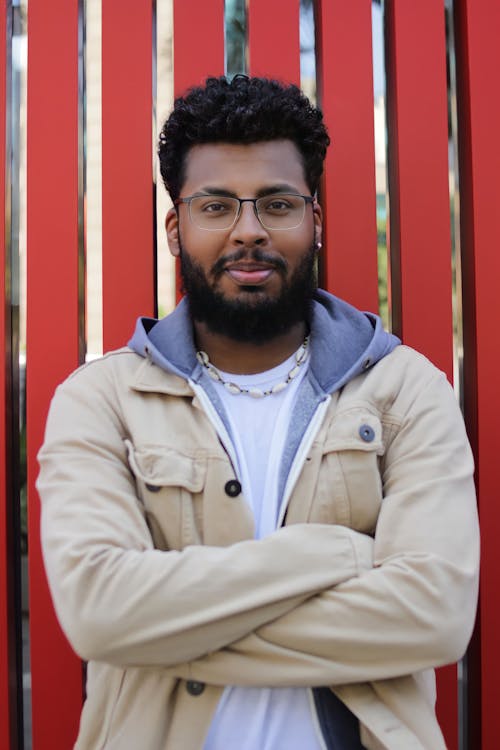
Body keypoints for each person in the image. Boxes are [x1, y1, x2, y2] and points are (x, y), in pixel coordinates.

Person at [37, 76, 479, 750]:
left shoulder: (405, 391)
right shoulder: (100, 403)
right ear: (175, 227)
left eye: (277, 203)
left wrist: (162, 628)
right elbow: (99, 615)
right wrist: (340, 555)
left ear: (315, 221)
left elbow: (436, 617)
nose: (249, 231)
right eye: (216, 206)